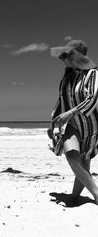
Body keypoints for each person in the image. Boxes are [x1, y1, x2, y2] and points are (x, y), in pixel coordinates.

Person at [48, 39, 98, 205]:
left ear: (76, 57)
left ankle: (75, 197)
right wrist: (53, 121)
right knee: (72, 157)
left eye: (66, 55)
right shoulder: (66, 76)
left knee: (83, 163)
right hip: (71, 125)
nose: (62, 58)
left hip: (89, 125)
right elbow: (61, 100)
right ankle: (97, 194)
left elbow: (93, 99)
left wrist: (70, 113)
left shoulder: (92, 74)